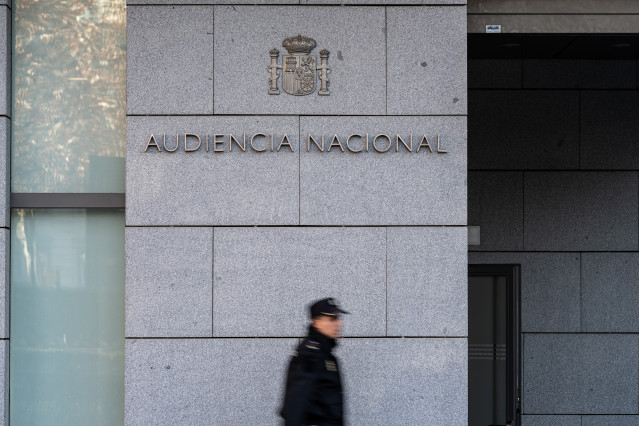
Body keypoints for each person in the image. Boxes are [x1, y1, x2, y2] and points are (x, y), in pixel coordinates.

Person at [280, 298, 348, 426]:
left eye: (338, 318)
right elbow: (296, 405)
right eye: (332, 319)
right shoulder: (310, 354)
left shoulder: (325, 353)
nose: (339, 324)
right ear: (316, 322)